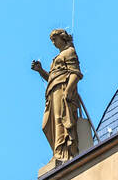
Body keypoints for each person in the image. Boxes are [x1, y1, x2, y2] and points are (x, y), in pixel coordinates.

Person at [31, 29, 83, 163]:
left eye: (55, 39)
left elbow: (75, 73)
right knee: (48, 125)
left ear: (62, 38)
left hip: (62, 89)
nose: (53, 43)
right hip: (53, 93)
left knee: (61, 120)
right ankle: (57, 151)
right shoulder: (57, 58)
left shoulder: (69, 52)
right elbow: (52, 79)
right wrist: (40, 71)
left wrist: (68, 91)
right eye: (52, 40)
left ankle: (62, 153)